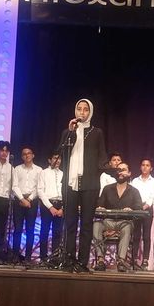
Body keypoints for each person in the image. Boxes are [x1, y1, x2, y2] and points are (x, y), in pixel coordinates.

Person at [58, 98, 108, 272]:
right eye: (79, 109)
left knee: (86, 225)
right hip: (70, 183)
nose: (82, 112)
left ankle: (82, 262)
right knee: (70, 223)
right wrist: (71, 132)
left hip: (90, 183)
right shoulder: (68, 132)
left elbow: (102, 157)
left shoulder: (97, 132)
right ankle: (68, 260)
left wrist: (110, 169)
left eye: (86, 109)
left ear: (90, 112)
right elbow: (61, 154)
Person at [93, 162, 143, 272]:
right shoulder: (107, 189)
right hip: (108, 221)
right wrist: (101, 208)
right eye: (118, 170)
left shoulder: (134, 191)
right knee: (96, 225)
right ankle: (101, 260)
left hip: (124, 222)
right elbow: (100, 204)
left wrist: (131, 209)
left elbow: (139, 207)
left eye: (123, 170)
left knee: (127, 226)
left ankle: (121, 261)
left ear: (129, 173)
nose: (120, 172)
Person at [11, 146, 42, 263]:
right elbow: (14, 186)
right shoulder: (17, 169)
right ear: (22, 157)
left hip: (32, 201)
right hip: (19, 200)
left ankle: (28, 257)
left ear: (33, 155)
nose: (27, 155)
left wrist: (29, 199)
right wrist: (22, 199)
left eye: (29, 153)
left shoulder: (39, 170)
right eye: (24, 154)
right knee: (17, 229)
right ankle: (15, 256)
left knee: (30, 230)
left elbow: (39, 187)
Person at [37, 152, 63, 263]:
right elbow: (40, 191)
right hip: (47, 204)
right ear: (49, 160)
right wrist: (50, 207)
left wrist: (62, 208)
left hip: (60, 204)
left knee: (58, 232)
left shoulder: (63, 174)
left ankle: (55, 257)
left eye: (59, 158)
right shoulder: (44, 173)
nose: (57, 161)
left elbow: (67, 192)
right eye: (55, 158)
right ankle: (43, 257)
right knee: (45, 231)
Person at [131, 159, 154, 269]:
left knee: (146, 236)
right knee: (136, 235)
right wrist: (137, 207)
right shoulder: (135, 181)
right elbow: (132, 194)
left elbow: (153, 196)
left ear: (151, 168)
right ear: (140, 167)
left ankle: (145, 260)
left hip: (147, 209)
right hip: (136, 209)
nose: (145, 167)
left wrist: (145, 206)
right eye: (143, 165)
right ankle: (134, 259)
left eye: (147, 165)